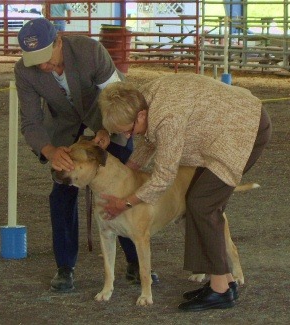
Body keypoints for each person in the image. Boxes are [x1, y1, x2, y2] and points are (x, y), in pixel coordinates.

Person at [97, 74, 272, 311]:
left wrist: (126, 202)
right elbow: (149, 140)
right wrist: (127, 172)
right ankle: (225, 282)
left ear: (140, 115)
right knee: (198, 203)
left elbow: (164, 177)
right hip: (224, 125)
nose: (128, 136)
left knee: (202, 205)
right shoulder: (142, 100)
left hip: (243, 128)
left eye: (128, 130)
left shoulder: (167, 117)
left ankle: (220, 290)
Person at [14, 18, 159, 293]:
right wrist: (50, 150)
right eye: (35, 61)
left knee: (124, 184)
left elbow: (117, 94)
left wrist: (106, 129)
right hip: (64, 128)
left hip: (106, 118)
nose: (42, 66)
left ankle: (135, 262)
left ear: (59, 42)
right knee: (61, 193)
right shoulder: (24, 72)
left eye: (46, 58)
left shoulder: (90, 51)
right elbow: (31, 122)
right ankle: (65, 266)